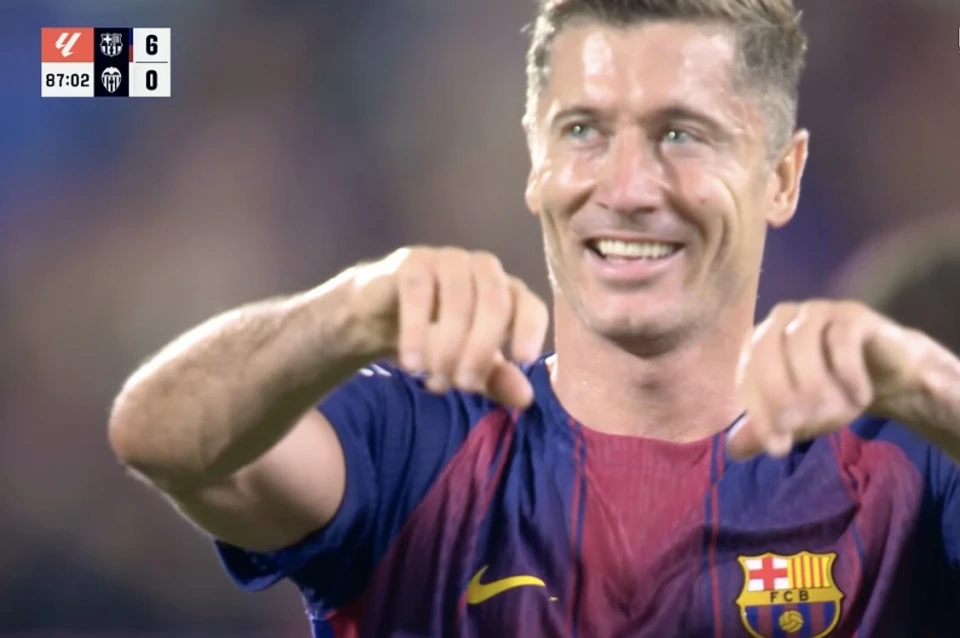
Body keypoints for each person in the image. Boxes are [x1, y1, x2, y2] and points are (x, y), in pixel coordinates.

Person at [107, 1, 960, 636]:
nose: (627, 187)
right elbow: (162, 438)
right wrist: (346, 312)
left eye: (681, 134)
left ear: (781, 175)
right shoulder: (416, 446)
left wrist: (929, 384)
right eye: (584, 130)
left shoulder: (903, 471)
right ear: (536, 158)